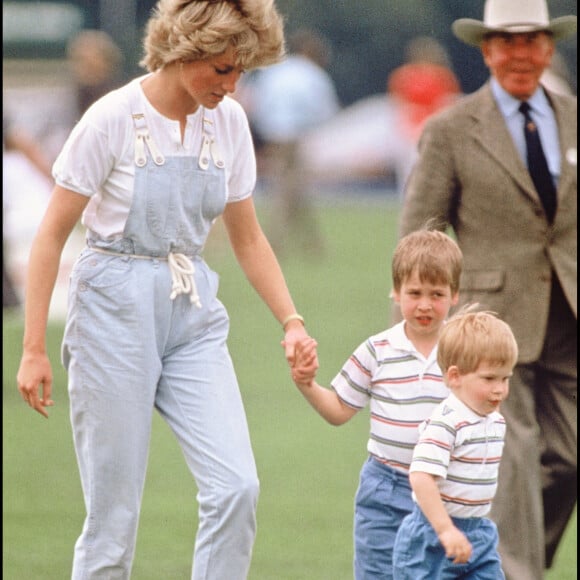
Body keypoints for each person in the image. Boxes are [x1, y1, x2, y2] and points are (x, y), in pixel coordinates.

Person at [15, 1, 313, 578]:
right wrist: (33, 349)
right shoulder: (111, 117)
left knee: (237, 487)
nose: (231, 86)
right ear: (183, 51)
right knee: (113, 522)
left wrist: (292, 320)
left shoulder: (228, 123)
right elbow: (50, 237)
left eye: (241, 71)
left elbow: (248, 239)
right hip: (111, 310)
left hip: (192, 308)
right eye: (221, 70)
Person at [397, 1, 577, 578]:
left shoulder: (575, 117)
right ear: (486, 50)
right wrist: (420, 313)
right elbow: (421, 229)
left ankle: (502, 565)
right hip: (489, 326)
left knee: (566, 460)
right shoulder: (451, 128)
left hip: (568, 318)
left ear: (549, 48)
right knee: (515, 459)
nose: (520, 54)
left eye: (531, 42)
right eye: (506, 42)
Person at [290, 227, 463, 579]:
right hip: (386, 491)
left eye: (437, 294)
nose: (426, 304)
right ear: (395, 293)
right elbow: (339, 410)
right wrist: (307, 384)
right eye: (414, 293)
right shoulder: (377, 350)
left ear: (455, 295)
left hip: (447, 493)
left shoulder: (465, 351)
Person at [392, 308, 519, 579]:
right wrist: (446, 529)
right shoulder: (446, 423)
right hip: (431, 539)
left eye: (505, 378)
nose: (500, 388)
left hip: (479, 534)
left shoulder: (494, 420)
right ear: (454, 376)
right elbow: (421, 477)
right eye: (489, 378)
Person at [239, 27, 340, 258]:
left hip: (272, 134)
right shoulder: (313, 75)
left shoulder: (274, 71)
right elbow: (325, 110)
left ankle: (311, 243)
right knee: (289, 188)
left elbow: (256, 101)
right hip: (295, 136)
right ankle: (277, 241)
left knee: (292, 186)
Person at [385, 36, 461, 196]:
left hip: (428, 125)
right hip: (411, 127)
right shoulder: (405, 75)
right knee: (410, 167)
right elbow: (399, 104)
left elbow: (445, 104)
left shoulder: (441, 76)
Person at [66, 29, 124, 119]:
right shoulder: (68, 99)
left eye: (90, 64)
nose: (84, 69)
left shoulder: (121, 99)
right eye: (79, 60)